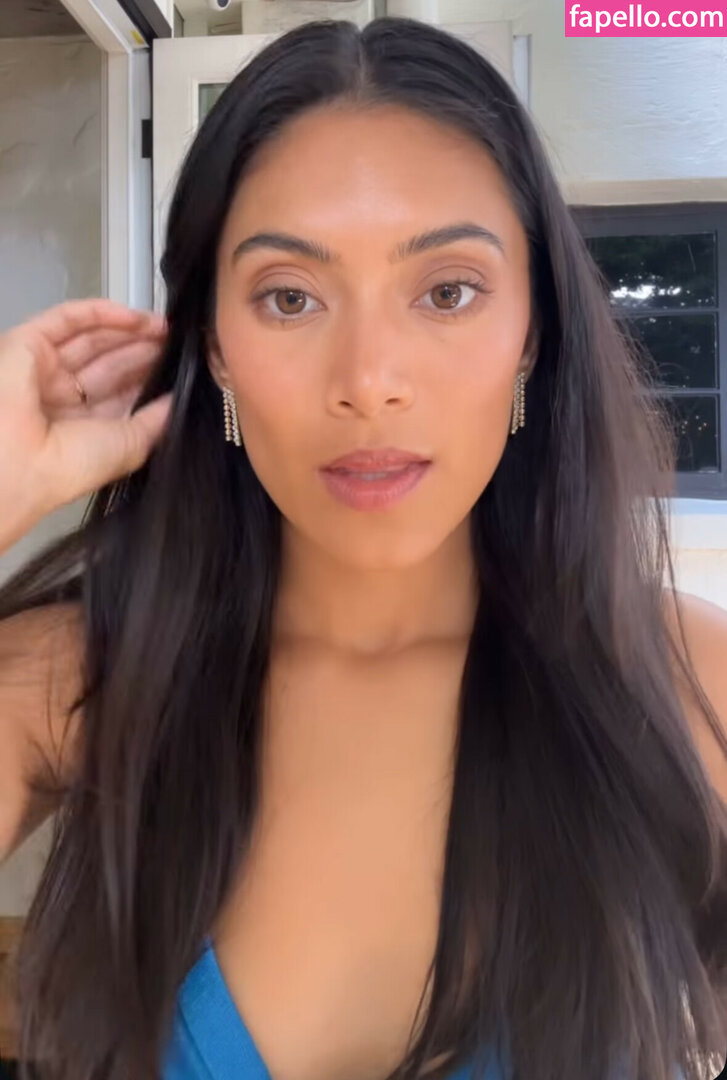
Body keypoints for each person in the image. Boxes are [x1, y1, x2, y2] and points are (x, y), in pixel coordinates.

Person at [0, 14, 725, 1080]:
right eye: (289, 297)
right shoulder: (79, 681)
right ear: (217, 349)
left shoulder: (688, 682)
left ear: (532, 333)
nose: (368, 380)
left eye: (447, 291)